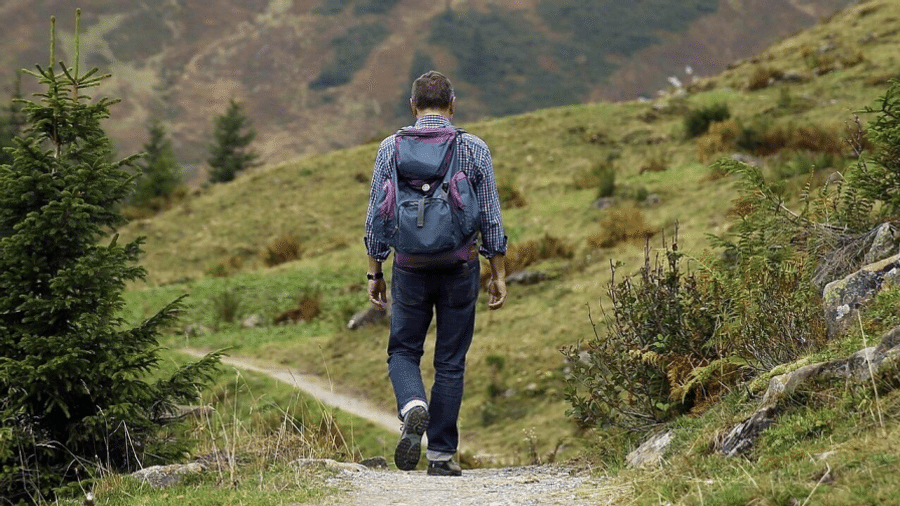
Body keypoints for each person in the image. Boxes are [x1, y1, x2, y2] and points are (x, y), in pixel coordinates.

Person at [364, 71, 508, 476]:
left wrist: (375, 271)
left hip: (409, 267)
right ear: (452, 104)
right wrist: (498, 272)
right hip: (460, 265)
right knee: (450, 360)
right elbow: (492, 217)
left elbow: (377, 214)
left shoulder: (390, 148)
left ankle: (413, 405)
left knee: (403, 350)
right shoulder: (474, 148)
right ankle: (441, 456)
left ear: (413, 106)